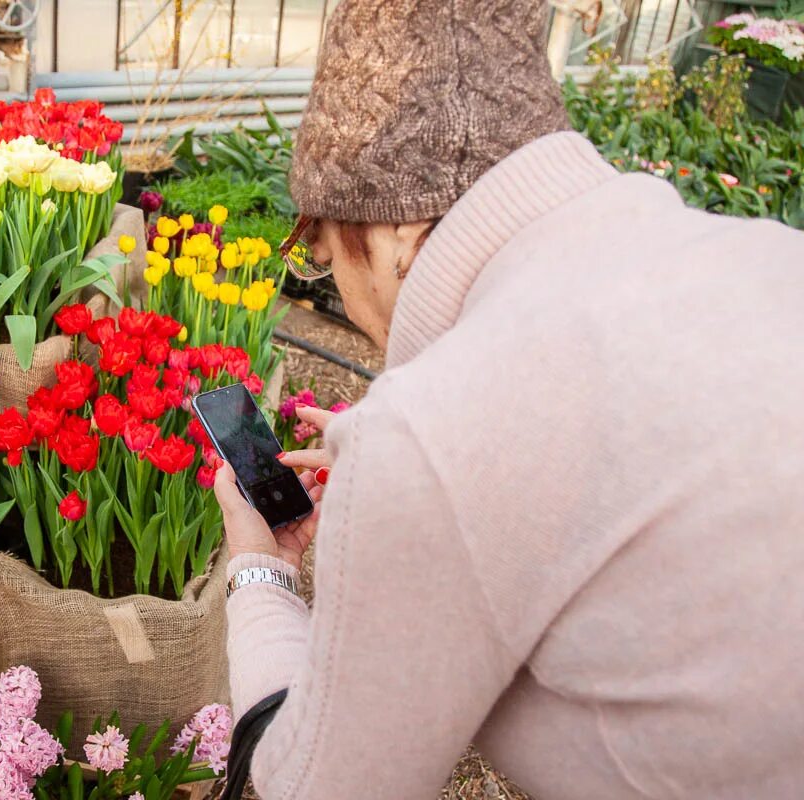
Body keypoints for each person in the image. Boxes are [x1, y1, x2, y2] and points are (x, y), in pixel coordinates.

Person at [213, 0, 804, 797]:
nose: (337, 289)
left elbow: (317, 785)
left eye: (321, 256)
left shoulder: (437, 431)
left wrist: (260, 568)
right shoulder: (765, 254)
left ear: (385, 233)